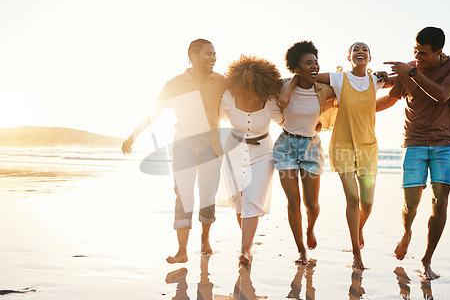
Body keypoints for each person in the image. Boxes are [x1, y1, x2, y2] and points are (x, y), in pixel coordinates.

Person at [281, 42, 391, 269]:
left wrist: (394, 74)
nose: (360, 52)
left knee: (367, 204)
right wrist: (290, 87)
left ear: (370, 58)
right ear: (349, 56)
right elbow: (306, 76)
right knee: (353, 199)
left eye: (365, 50)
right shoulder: (338, 78)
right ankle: (356, 254)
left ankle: (357, 228)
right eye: (356, 49)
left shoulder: (375, 81)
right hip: (342, 146)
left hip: (368, 147)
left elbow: (400, 86)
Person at [121, 39, 227, 263]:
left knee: (208, 196)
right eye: (208, 54)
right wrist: (133, 135)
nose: (214, 58)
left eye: (215, 54)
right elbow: (153, 111)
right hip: (184, 146)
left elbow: (247, 94)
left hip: (212, 146)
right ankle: (182, 250)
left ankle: (205, 238)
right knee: (183, 195)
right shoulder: (175, 84)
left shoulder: (222, 81)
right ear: (193, 56)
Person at [376, 27, 450, 280]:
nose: (418, 56)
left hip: (444, 143)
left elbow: (442, 95)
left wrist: (412, 74)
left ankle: (426, 260)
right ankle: (406, 233)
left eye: (424, 53)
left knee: (440, 202)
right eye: (415, 50)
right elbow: (390, 99)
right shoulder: (410, 68)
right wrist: (357, 111)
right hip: (414, 142)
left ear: (439, 52)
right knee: (410, 203)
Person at [274, 41, 336, 265]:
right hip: (285, 146)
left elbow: (347, 88)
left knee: (312, 204)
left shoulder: (324, 90)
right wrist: (290, 86)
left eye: (316, 62)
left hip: (311, 147)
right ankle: (301, 250)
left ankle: (310, 229)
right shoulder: (281, 86)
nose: (315, 66)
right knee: (293, 202)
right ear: (297, 69)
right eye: (308, 63)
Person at [219, 55, 283, 264]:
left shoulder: (270, 100)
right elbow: (215, 116)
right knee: (239, 203)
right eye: (249, 91)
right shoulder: (230, 95)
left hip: (263, 154)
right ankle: (248, 243)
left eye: (258, 92)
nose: (253, 97)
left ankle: (245, 250)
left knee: (252, 200)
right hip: (233, 153)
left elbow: (285, 121)